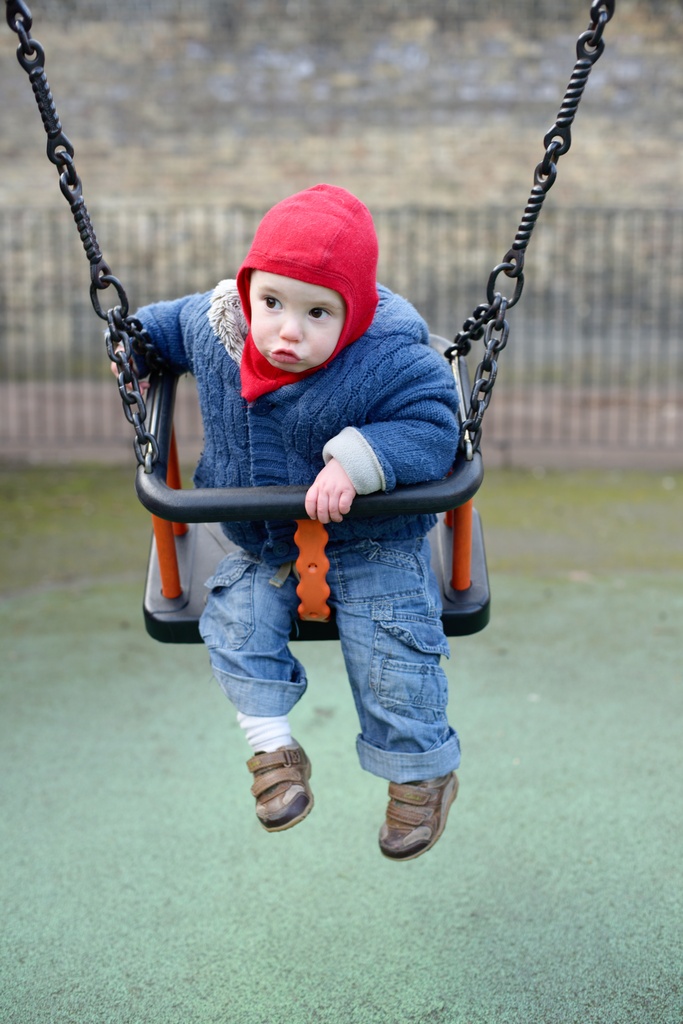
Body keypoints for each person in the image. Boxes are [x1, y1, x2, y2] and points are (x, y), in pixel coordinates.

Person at [125, 184, 462, 861]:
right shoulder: (215, 326)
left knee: (393, 647)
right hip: (260, 541)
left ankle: (421, 772)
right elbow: (160, 328)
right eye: (272, 302)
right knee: (233, 623)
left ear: (354, 314)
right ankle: (273, 752)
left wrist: (359, 461)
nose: (287, 330)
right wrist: (132, 347)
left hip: (371, 541)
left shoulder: (388, 355)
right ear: (248, 288)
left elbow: (433, 427)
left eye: (317, 313)